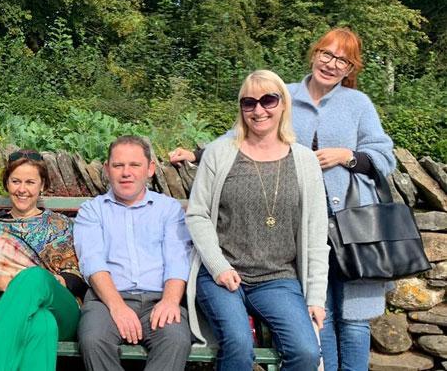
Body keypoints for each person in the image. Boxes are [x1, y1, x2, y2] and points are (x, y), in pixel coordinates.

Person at [169, 28, 396, 370]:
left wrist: (346, 156)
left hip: (349, 224)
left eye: (342, 60)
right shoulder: (280, 94)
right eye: (327, 54)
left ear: (351, 69)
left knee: (352, 318)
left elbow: (383, 156)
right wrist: (199, 152)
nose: (331, 64)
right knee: (323, 320)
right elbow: (240, 134)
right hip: (291, 226)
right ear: (314, 54)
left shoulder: (358, 104)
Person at [185, 70, 329, 371]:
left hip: (277, 279)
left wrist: (316, 298)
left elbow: (316, 237)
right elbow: (197, 214)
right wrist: (219, 267)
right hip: (222, 276)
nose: (258, 110)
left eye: (268, 100)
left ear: (283, 104)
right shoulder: (219, 153)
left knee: (305, 352)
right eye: (248, 103)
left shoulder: (304, 161)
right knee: (238, 344)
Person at [74, 136, 194, 371]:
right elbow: (93, 262)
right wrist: (117, 306)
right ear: (107, 170)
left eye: (134, 165)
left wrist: (170, 301)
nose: (126, 172)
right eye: (118, 166)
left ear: (149, 169)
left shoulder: (168, 209)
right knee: (93, 339)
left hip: (159, 299)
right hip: (106, 301)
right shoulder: (92, 210)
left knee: (176, 339)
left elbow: (177, 259)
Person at [0, 150, 87, 371]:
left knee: (34, 277)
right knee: (42, 324)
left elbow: (80, 279)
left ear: (42, 185)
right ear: (7, 184)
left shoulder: (62, 225)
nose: (22, 189)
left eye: (30, 182)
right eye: (16, 181)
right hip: (2, 305)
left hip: (59, 305)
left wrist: (56, 281)